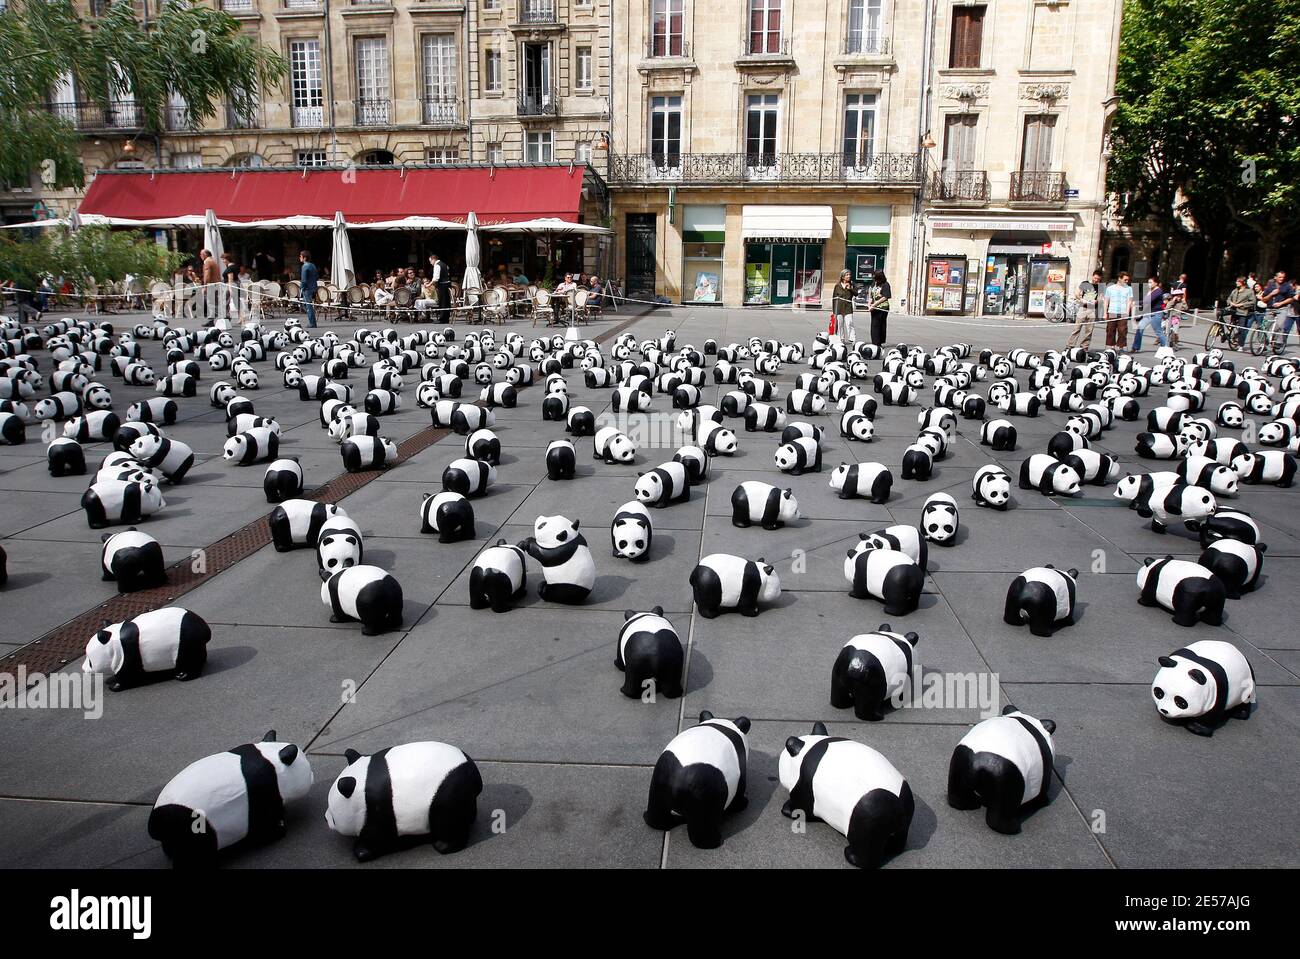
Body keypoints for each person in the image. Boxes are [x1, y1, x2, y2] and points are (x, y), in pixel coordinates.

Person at [1067, 270, 1104, 349]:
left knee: (1089, 330)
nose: (1096, 280)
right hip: (1083, 308)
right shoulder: (1085, 283)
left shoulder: (1101, 286)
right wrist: (1081, 299)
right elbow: (1077, 293)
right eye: (1095, 278)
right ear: (1093, 276)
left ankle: (1084, 347)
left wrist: (1097, 301)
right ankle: (1070, 346)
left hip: (1092, 309)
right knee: (1076, 328)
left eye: (1098, 279)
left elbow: (1101, 298)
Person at [1131, 278, 1166, 353]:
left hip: (1156, 313)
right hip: (1148, 313)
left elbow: (1147, 301)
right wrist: (1141, 314)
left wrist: (1135, 303)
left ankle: (1165, 347)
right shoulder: (1151, 291)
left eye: (1150, 282)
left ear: (1156, 283)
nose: (1149, 284)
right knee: (1140, 328)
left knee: (1158, 331)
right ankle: (1135, 347)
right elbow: (1146, 303)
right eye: (1148, 282)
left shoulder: (1158, 291)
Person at [1103, 271, 1134, 349]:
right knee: (1110, 330)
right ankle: (1111, 347)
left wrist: (1127, 312)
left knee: (1122, 331)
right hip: (1112, 311)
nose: (1126, 282)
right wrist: (1105, 312)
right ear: (1119, 278)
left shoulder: (1129, 289)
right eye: (1125, 280)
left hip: (1123, 312)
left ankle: (1121, 347)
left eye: (1127, 280)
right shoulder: (1110, 288)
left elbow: (1129, 301)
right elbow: (1106, 301)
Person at [1226, 276, 1255, 349]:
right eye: (1236, 281)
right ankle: (1224, 334)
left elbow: (1253, 302)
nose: (1236, 283)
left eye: (1238, 281)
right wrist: (1230, 303)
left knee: (1241, 329)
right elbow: (1229, 298)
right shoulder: (1235, 290)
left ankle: (1240, 345)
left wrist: (1241, 305)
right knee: (1230, 325)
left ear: (1243, 283)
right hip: (1233, 311)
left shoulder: (1249, 291)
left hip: (1242, 312)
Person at [832, 269, 856, 342]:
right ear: (843, 277)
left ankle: (852, 338)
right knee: (840, 324)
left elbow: (856, 293)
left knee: (849, 323)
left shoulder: (852, 284)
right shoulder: (837, 286)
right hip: (839, 308)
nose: (849, 276)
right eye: (847, 275)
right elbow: (834, 298)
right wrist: (834, 311)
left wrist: (850, 289)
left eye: (849, 274)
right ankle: (841, 338)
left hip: (848, 307)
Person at [868, 271, 890, 347]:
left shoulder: (885, 284)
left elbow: (885, 297)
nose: (874, 279)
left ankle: (878, 342)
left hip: (882, 307)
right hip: (874, 307)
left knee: (880, 324)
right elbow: (870, 294)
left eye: (875, 277)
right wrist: (869, 304)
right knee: (874, 325)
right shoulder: (874, 283)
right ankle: (875, 342)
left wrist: (874, 305)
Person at [429, 253, 451, 322]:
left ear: (433, 259)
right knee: (446, 302)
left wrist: (429, 285)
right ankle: (446, 318)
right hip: (447, 284)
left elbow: (436, 278)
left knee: (442, 302)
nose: (430, 263)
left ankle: (442, 319)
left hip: (442, 285)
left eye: (430, 261)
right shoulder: (444, 264)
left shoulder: (437, 266)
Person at [299, 250, 318, 328]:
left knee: (308, 306)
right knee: (308, 305)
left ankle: (312, 323)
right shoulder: (312, 265)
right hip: (313, 287)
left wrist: (302, 288)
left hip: (307, 288)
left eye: (300, 256)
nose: (299, 257)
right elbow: (317, 276)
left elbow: (304, 280)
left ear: (304, 257)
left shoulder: (305, 266)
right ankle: (312, 322)